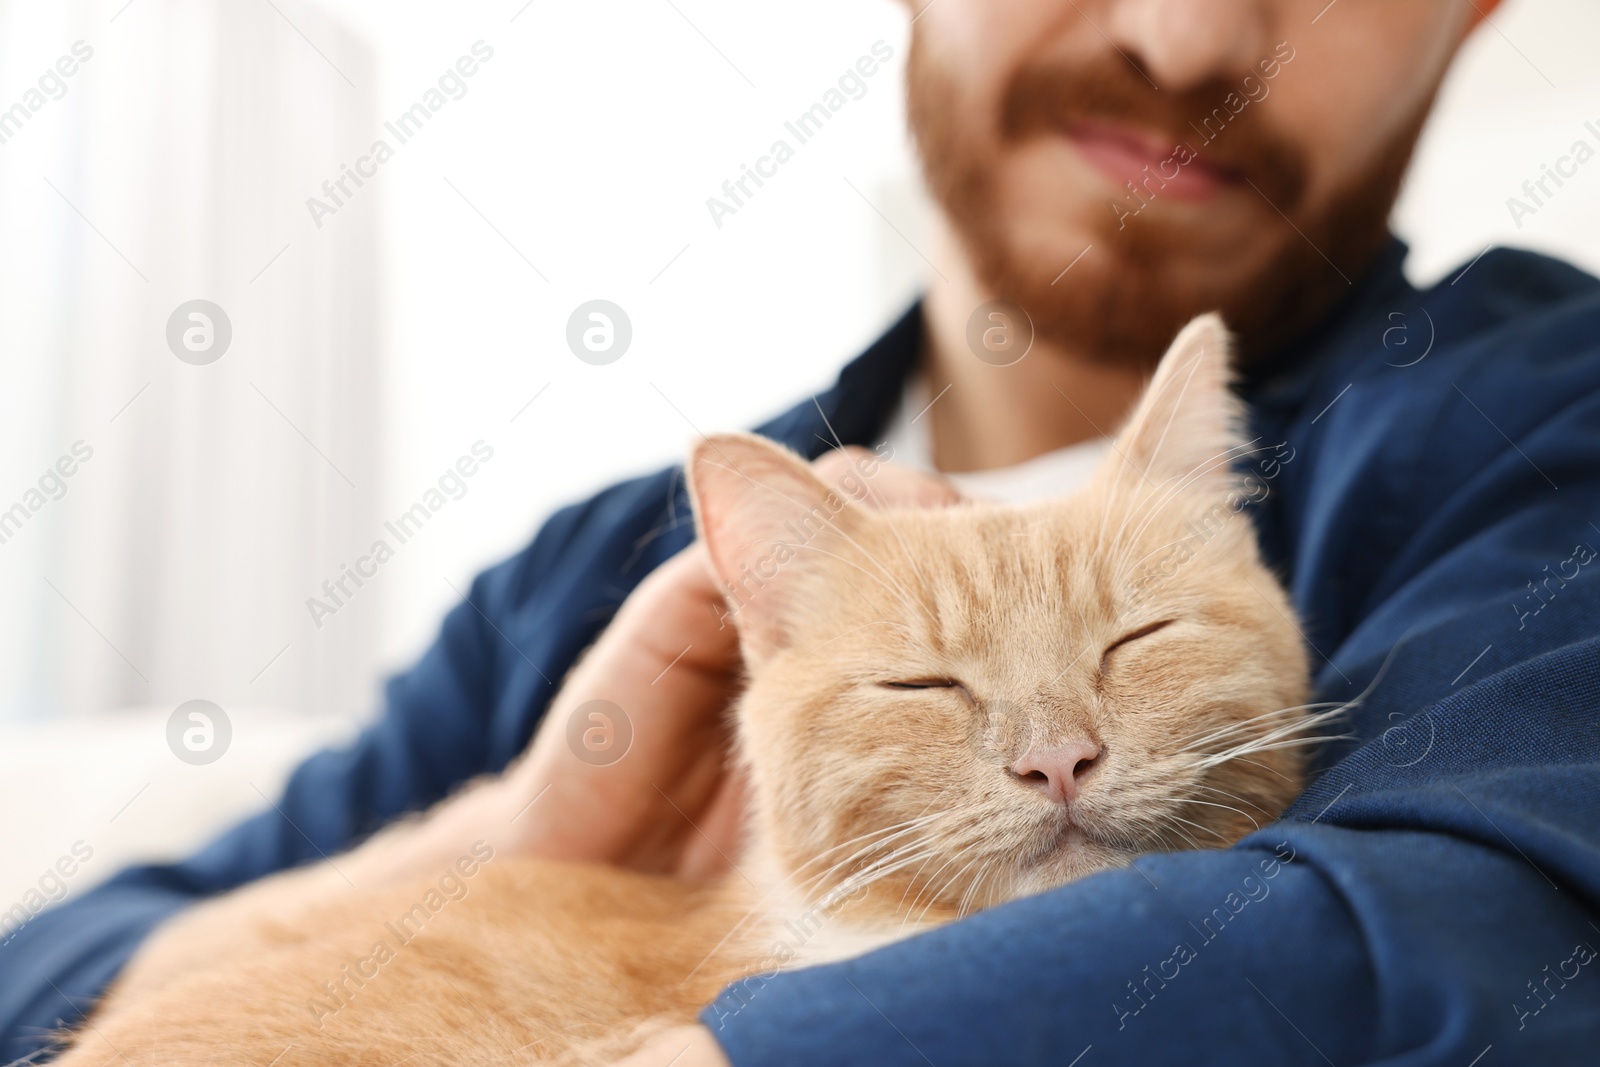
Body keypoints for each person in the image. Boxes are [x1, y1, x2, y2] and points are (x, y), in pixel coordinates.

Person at [7, 0, 1600, 1063]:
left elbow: (1497, 935)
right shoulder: (604, 565)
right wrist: (508, 844)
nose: (1182, 33)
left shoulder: (1530, 415)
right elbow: (52, 971)